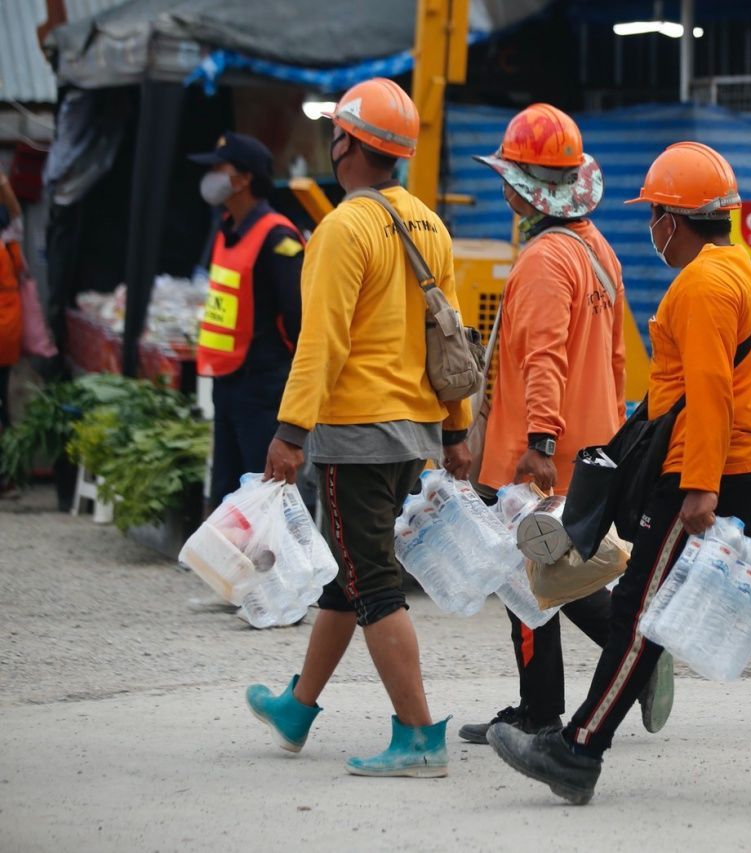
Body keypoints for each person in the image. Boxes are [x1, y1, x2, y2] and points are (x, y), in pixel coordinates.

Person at [486, 141, 751, 807]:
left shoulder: (701, 285)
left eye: (654, 216)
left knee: (639, 613)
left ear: (672, 220)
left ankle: (577, 751)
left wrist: (700, 486)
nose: (653, 229)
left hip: (707, 476)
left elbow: (709, 395)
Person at [242, 78, 472, 777]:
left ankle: (419, 736)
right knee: (349, 574)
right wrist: (456, 430)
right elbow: (450, 337)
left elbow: (322, 341)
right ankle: (297, 706)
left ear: (345, 143)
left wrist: (290, 431)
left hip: (358, 434)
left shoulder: (343, 228)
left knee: (371, 582)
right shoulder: (429, 224)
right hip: (413, 432)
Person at [458, 104, 674, 746]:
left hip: (538, 451)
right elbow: (615, 359)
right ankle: (629, 655)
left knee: (528, 576)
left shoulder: (544, 260)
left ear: (526, 188)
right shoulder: (596, 249)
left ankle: (551, 704)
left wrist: (540, 443)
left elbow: (544, 358)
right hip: (587, 445)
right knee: (554, 571)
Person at [188, 133, 304, 508]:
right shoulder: (227, 228)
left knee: (263, 498)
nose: (210, 176)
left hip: (263, 386)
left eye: (218, 168)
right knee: (226, 493)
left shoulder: (277, 237)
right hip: (227, 382)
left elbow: (299, 319)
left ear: (243, 179)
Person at [0, 173, 24, 433]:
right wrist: (3, 183)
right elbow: (16, 214)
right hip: (9, 325)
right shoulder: (11, 244)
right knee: (3, 381)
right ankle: (5, 422)